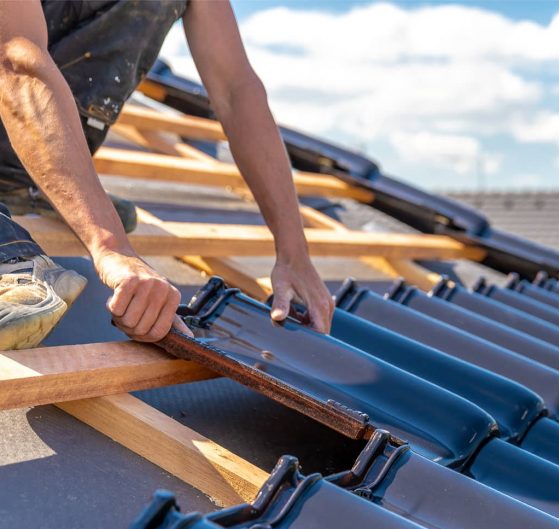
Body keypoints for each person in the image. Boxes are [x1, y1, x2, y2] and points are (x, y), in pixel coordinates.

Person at [0, 0, 334, 350]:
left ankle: (34, 180)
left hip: (24, 153)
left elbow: (237, 90)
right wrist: (111, 246)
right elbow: (16, 59)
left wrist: (294, 252)